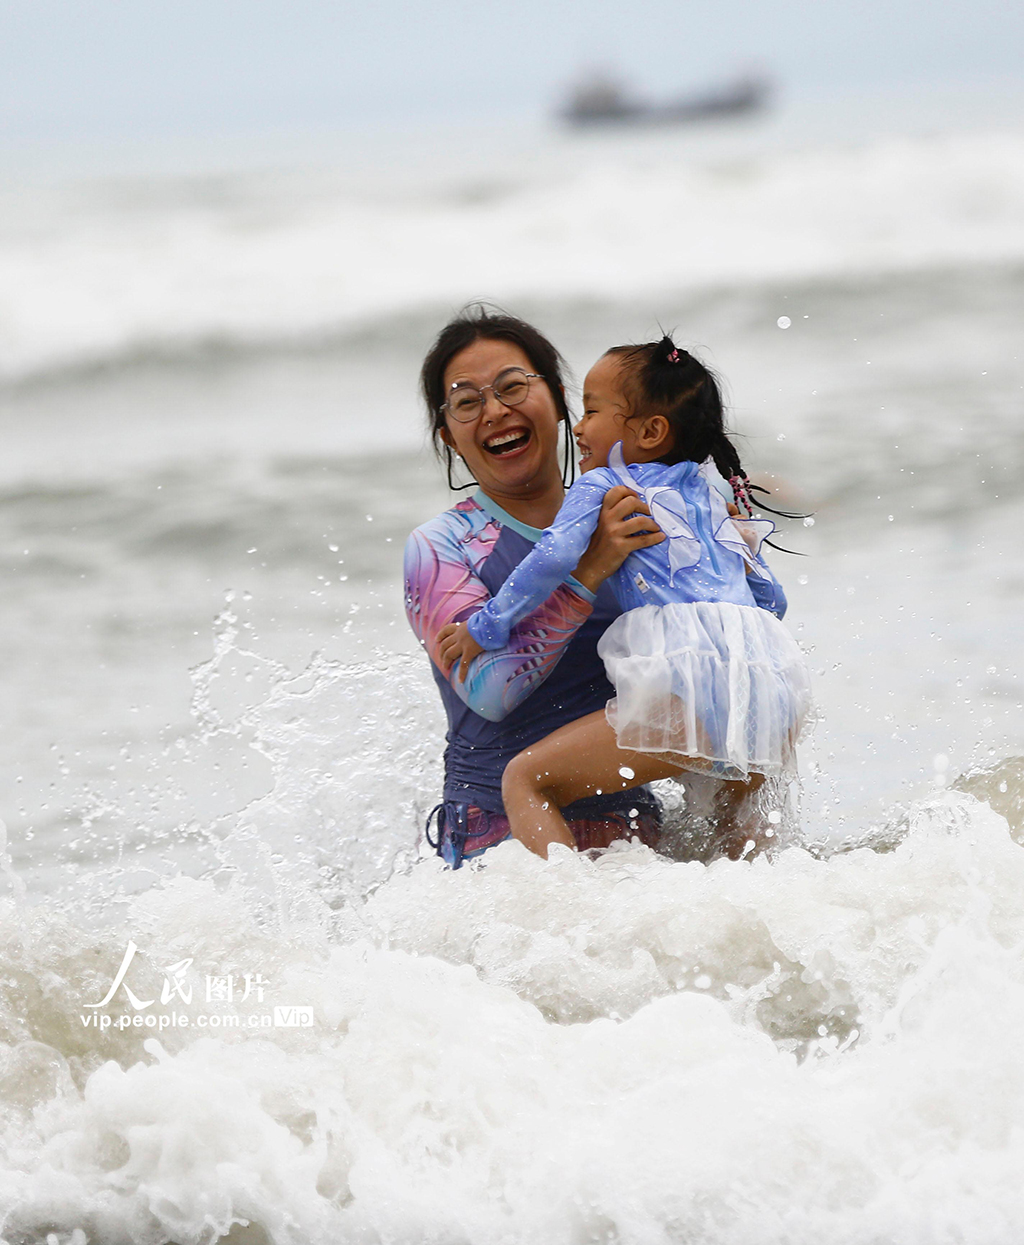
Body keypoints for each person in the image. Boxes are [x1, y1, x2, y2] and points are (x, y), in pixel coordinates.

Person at [438, 335, 813, 860]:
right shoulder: (710, 493)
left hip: (687, 695)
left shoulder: (606, 485)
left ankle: (576, 920)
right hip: (773, 693)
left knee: (525, 781)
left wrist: (486, 626)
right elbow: (771, 602)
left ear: (651, 431)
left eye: (591, 411)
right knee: (733, 842)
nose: (579, 427)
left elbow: (548, 559)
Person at [404, 309, 667, 868]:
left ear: (559, 400)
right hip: (499, 850)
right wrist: (587, 572)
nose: (496, 411)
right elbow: (491, 692)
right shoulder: (440, 550)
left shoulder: (627, 513)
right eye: (468, 401)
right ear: (448, 434)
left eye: (512, 387)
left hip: (633, 836)